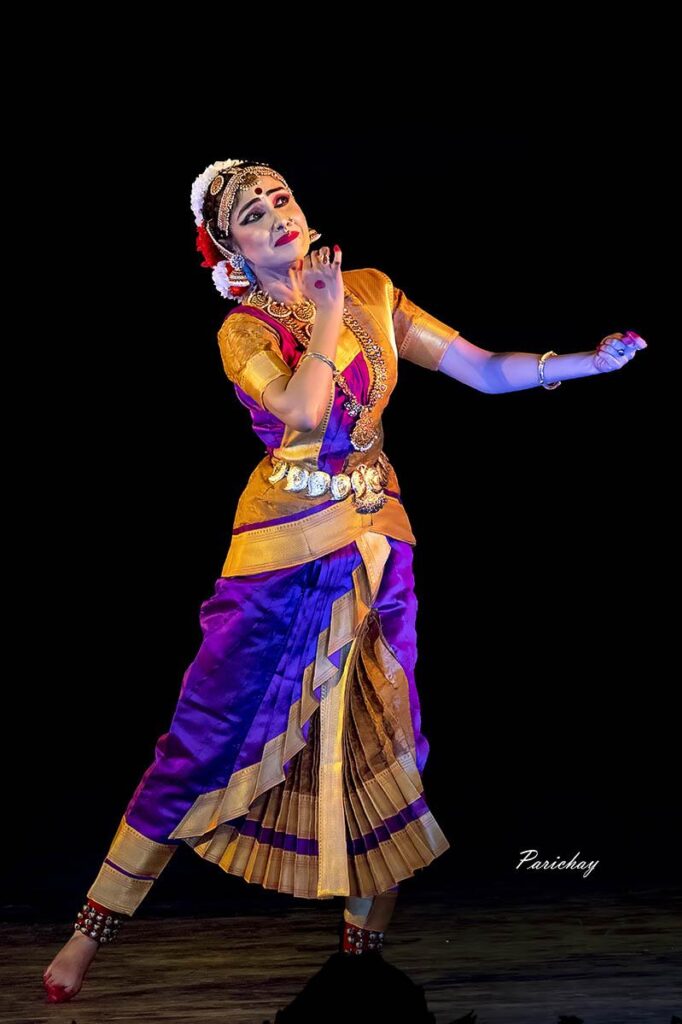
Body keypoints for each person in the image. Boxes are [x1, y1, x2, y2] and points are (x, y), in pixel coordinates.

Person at [42, 158, 647, 1003]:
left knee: (388, 741)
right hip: (282, 553)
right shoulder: (243, 331)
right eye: (252, 214)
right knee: (205, 733)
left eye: (280, 197)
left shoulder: (371, 288)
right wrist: (323, 314)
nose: (276, 215)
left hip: (376, 541)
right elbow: (304, 412)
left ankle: (361, 966)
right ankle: (87, 935)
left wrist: (584, 363)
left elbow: (476, 366)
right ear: (231, 248)